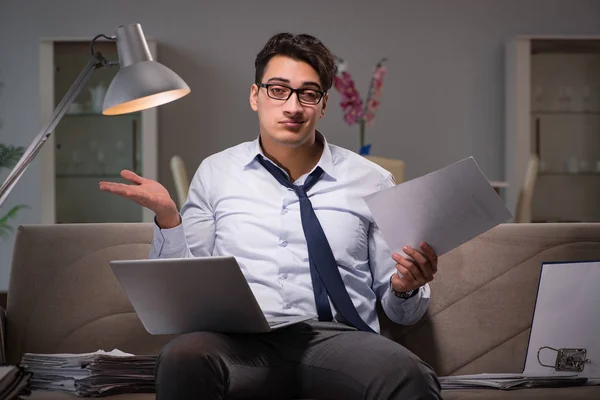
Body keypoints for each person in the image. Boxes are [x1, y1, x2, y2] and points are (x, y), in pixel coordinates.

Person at [100, 32, 442, 400]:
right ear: (255, 95)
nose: (293, 106)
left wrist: (405, 289)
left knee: (409, 374)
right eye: (278, 89)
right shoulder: (216, 173)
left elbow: (401, 313)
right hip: (239, 342)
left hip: (339, 339)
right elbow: (181, 294)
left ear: (323, 105)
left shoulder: (372, 180)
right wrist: (169, 219)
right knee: (182, 358)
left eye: (308, 94)